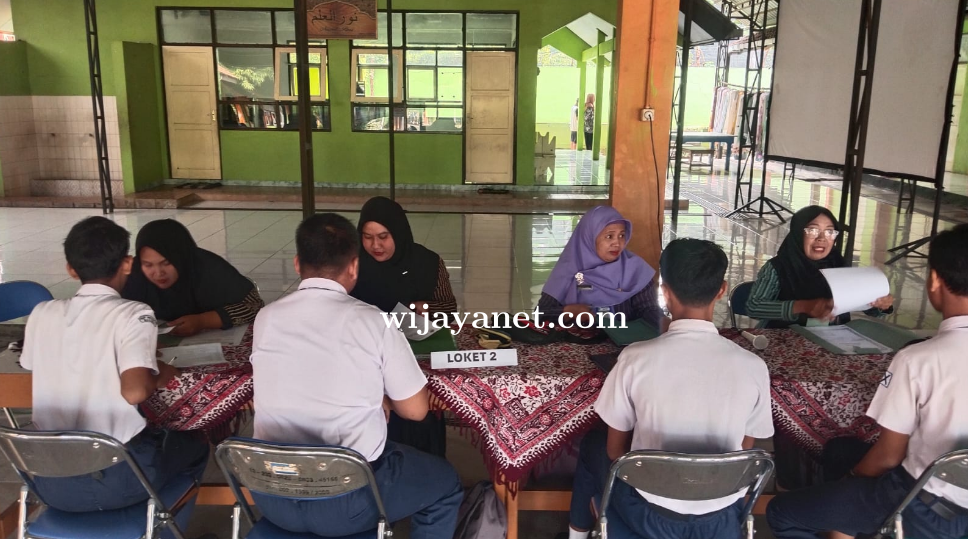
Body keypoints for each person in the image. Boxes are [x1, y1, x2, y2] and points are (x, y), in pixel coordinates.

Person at [250, 213, 463, 538]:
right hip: (347, 503)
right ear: (353, 266)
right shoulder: (374, 321)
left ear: (297, 263)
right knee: (445, 482)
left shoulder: (266, 318)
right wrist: (379, 394)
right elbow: (416, 410)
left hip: (273, 498)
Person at [561, 238, 774, 539]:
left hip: (648, 514)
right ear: (722, 290)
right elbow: (745, 448)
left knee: (593, 445)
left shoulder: (635, 358)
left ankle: (577, 534)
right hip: (721, 518)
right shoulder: (753, 366)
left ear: (664, 291)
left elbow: (614, 451)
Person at [766, 224, 968, 539]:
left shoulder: (918, 360)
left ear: (934, 281)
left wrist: (850, 479)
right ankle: (844, 524)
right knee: (840, 449)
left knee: (783, 513)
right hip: (955, 493)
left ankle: (847, 517)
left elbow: (888, 457)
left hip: (924, 503)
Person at [21, 216, 209, 513]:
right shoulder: (133, 313)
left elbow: (34, 364)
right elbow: (135, 391)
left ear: (71, 269)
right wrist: (159, 373)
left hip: (50, 482)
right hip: (118, 478)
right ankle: (161, 526)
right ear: (127, 264)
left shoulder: (42, 312)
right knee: (195, 444)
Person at [746, 205, 893, 328]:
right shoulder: (778, 267)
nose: (822, 238)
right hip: (784, 338)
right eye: (813, 230)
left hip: (833, 338)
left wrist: (880, 304)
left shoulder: (839, 265)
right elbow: (753, 307)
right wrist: (804, 306)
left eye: (830, 231)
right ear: (798, 233)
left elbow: (863, 306)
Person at [122, 219, 264, 337]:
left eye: (167, 263)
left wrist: (203, 321)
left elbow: (254, 305)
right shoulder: (132, 275)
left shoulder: (206, 267)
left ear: (182, 257)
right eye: (148, 265)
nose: (158, 273)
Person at [538, 205, 666, 331]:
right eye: (609, 236)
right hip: (575, 342)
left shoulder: (634, 270)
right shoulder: (567, 271)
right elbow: (541, 314)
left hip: (626, 343)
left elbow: (648, 309)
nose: (617, 243)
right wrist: (568, 312)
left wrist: (667, 324)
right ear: (589, 237)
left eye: (621, 235)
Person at [351, 196, 457, 315]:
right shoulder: (351, 262)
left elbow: (449, 309)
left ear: (398, 234)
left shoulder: (427, 262)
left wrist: (426, 307)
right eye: (368, 237)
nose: (375, 245)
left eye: (383, 237)